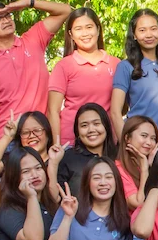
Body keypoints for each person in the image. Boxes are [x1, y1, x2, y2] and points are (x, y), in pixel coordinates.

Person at [0, 0, 73, 147]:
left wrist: (28, 3)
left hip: (42, 133)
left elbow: (65, 10)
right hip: (9, 138)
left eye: (7, 15)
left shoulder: (33, 40)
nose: (6, 21)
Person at [111, 7, 158, 142]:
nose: (149, 35)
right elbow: (115, 112)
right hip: (138, 142)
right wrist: (127, 146)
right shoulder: (125, 67)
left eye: (153, 29)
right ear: (134, 35)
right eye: (142, 30)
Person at [48, 8, 120, 148]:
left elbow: (121, 106)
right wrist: (56, 145)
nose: (85, 33)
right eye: (78, 29)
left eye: (89, 27)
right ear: (71, 34)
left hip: (107, 142)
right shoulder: (64, 66)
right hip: (71, 143)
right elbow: (53, 111)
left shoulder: (116, 64)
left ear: (98, 29)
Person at [51, 101, 120, 190]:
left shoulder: (119, 155)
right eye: (84, 125)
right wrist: (53, 164)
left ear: (106, 126)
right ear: (78, 132)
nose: (91, 130)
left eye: (96, 124)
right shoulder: (68, 158)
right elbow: (56, 195)